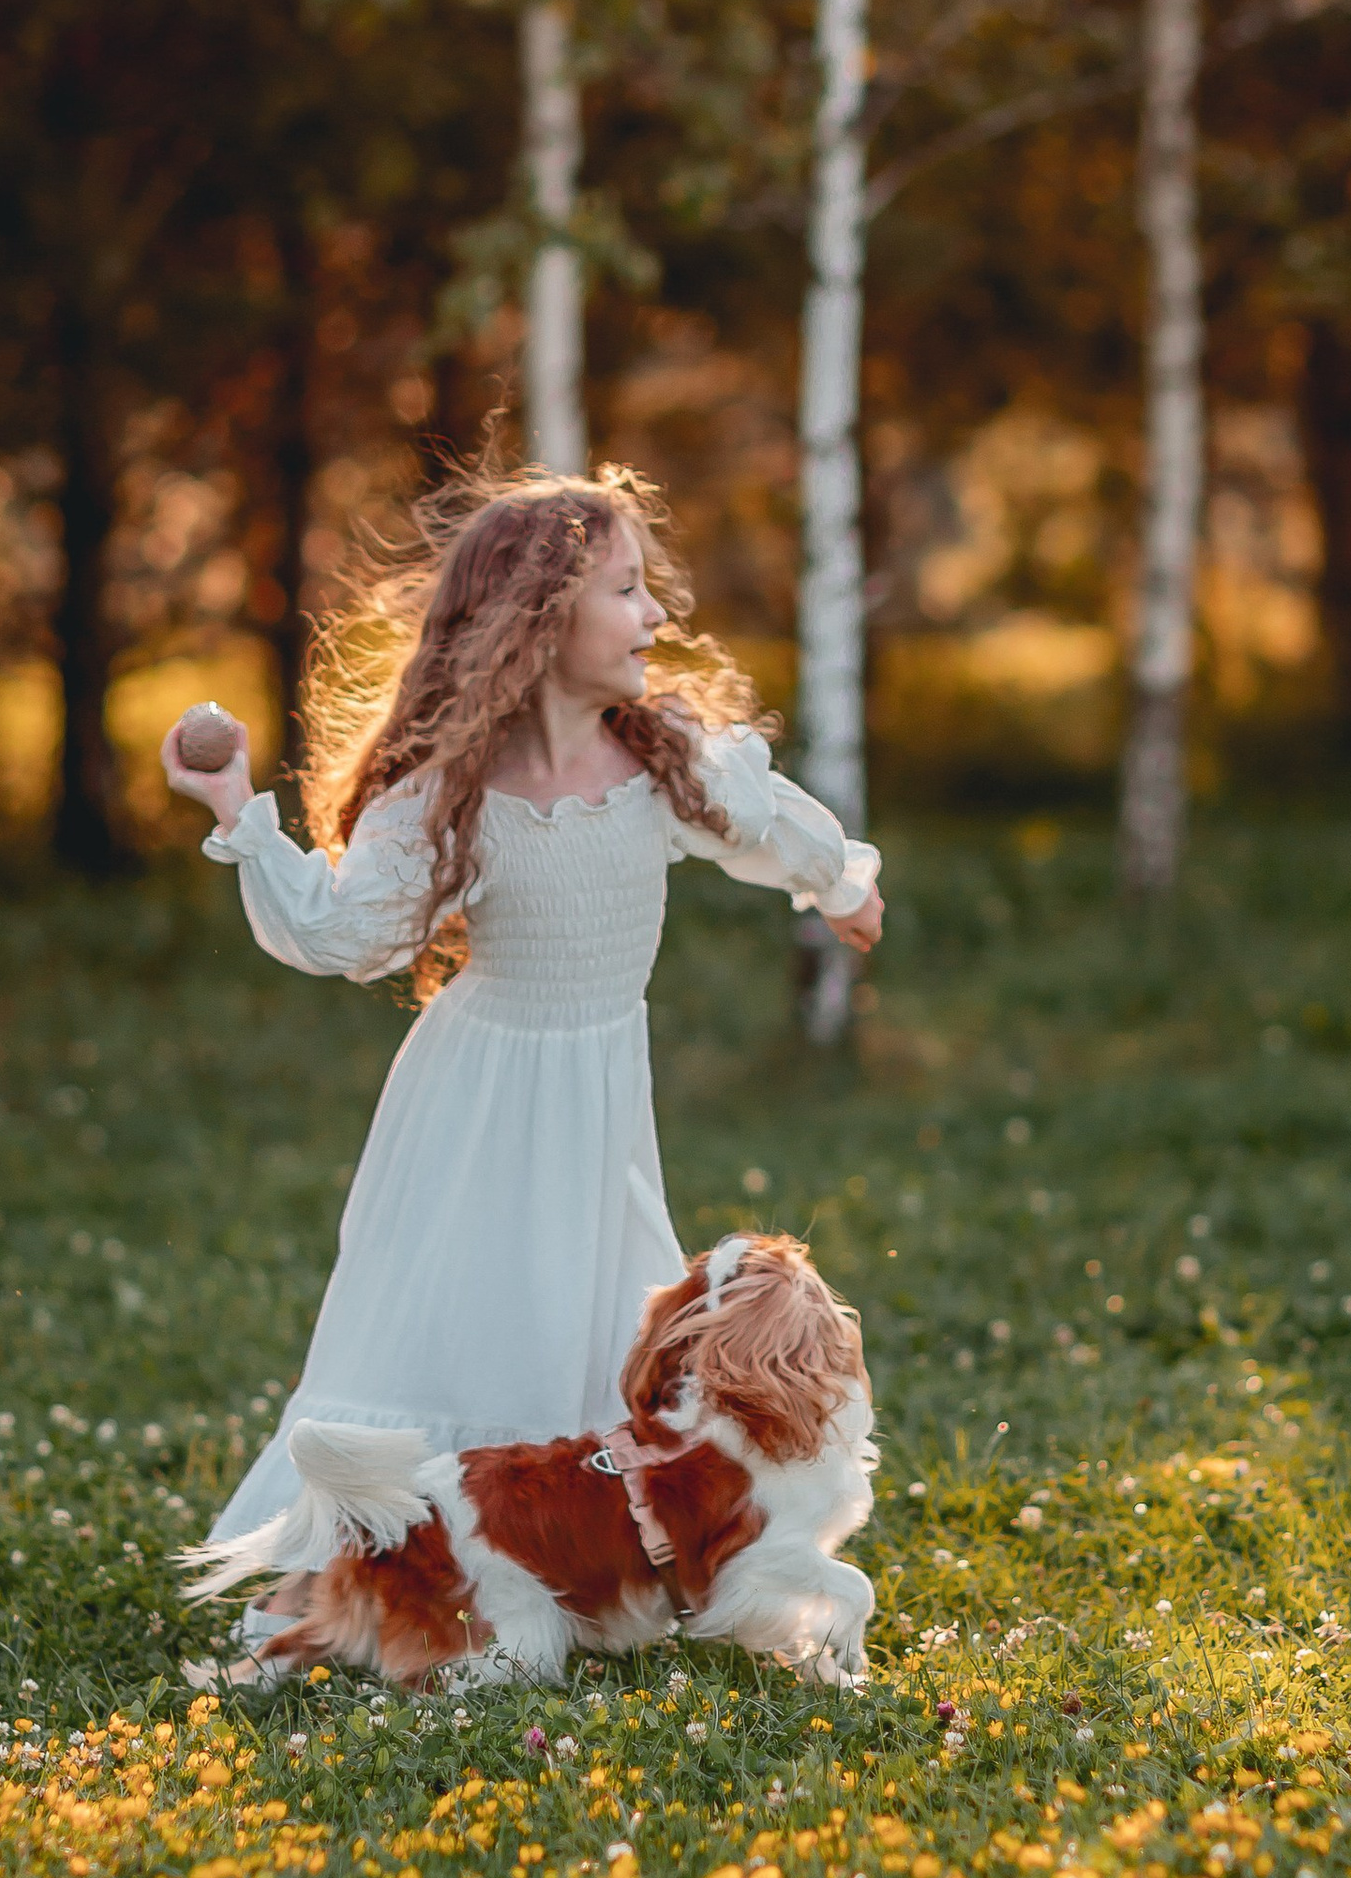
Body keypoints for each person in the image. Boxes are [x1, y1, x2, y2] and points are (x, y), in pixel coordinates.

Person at [161, 468, 883, 1600]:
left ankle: (573, 1551)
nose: (656, 617)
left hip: (598, 1097)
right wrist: (239, 817)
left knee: (593, 1319)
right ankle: (381, 1565)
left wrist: (836, 881)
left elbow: (762, 817)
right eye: (627, 591)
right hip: (473, 1102)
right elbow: (349, 933)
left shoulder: (661, 760)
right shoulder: (454, 790)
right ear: (541, 619)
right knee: (454, 1317)